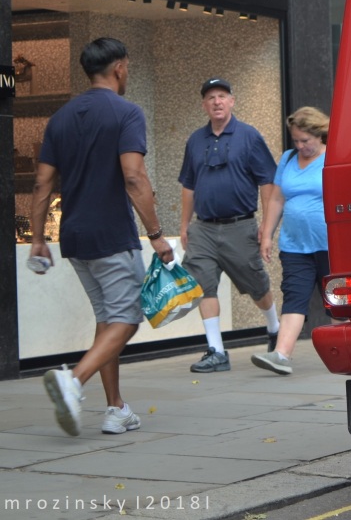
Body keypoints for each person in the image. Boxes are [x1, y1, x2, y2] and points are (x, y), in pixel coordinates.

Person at [29, 38, 174, 436]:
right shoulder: (126, 113)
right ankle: (73, 382)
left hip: (74, 236)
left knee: (108, 317)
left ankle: (116, 409)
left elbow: (42, 185)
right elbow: (134, 176)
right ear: (120, 68)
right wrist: (157, 234)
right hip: (112, 234)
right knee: (128, 317)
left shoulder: (60, 118)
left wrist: (40, 237)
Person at [179, 78, 280, 373]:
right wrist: (185, 226)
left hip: (240, 225)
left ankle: (274, 327)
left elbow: (266, 181)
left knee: (257, 286)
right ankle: (216, 351)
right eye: (210, 98)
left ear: (232, 101)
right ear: (204, 105)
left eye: (222, 96)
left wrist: (266, 229)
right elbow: (188, 185)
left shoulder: (249, 136)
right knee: (202, 286)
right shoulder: (195, 140)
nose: (216, 102)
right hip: (204, 229)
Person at [251, 107, 330, 375]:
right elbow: (276, 198)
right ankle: (281, 355)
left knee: (340, 299)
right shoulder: (287, 159)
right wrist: (267, 234)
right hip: (295, 244)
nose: (300, 145)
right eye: (296, 140)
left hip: (330, 243)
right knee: (294, 295)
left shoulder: (332, 157)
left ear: (319, 135)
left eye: (305, 140)